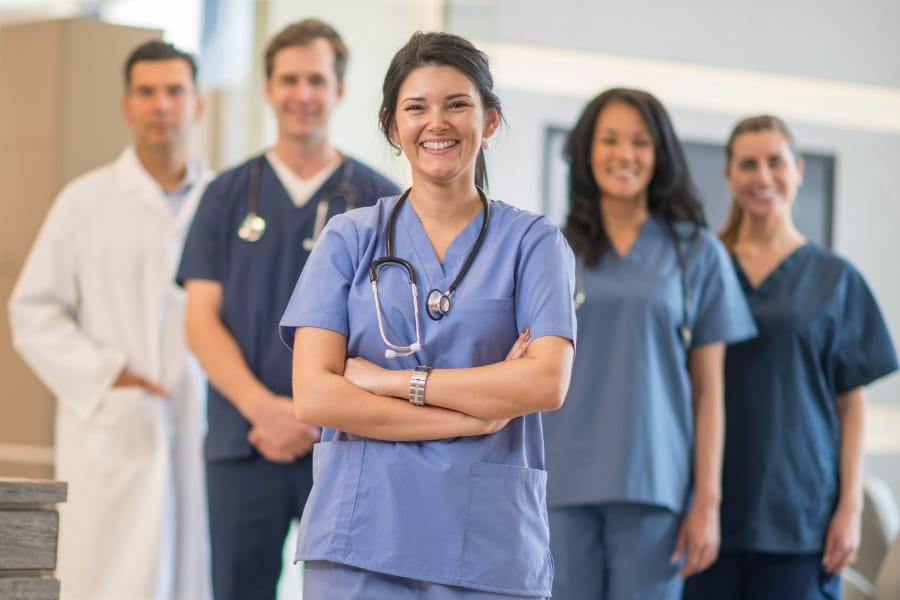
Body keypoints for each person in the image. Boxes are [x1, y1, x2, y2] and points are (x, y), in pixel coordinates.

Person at [278, 31, 576, 599]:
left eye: (457, 104)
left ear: (489, 121)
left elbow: (545, 380)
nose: (437, 123)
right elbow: (315, 397)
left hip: (487, 542)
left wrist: (394, 383)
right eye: (417, 108)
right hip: (361, 539)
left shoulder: (533, 243)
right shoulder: (348, 238)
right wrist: (473, 416)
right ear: (393, 127)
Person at [176, 18, 399, 599]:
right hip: (243, 440)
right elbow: (200, 322)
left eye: (317, 80)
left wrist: (312, 414)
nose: (303, 94)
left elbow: (387, 332)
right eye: (290, 79)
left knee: (352, 590)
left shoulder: (379, 200)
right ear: (269, 88)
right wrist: (265, 411)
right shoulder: (225, 195)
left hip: (343, 443)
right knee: (237, 588)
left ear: (340, 91)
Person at [8, 41, 210, 600]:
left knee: (198, 572)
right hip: (116, 424)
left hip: (202, 422)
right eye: (146, 92)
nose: (161, 105)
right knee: (108, 576)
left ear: (199, 105)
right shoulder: (84, 201)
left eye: (175, 91)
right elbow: (32, 310)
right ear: (126, 106)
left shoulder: (221, 201)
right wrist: (107, 375)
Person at [541, 88, 757, 600]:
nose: (624, 154)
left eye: (640, 141)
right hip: (560, 482)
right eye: (609, 139)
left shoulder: (696, 254)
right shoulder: (549, 249)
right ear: (586, 152)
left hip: (653, 484)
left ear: (660, 154)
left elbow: (709, 392)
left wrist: (707, 500)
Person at [682, 115, 898, 599]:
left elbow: (851, 403)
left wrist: (850, 508)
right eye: (748, 164)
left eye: (775, 162)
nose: (763, 176)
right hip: (705, 512)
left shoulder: (836, 278)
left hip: (801, 516)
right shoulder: (701, 269)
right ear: (729, 176)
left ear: (798, 169)